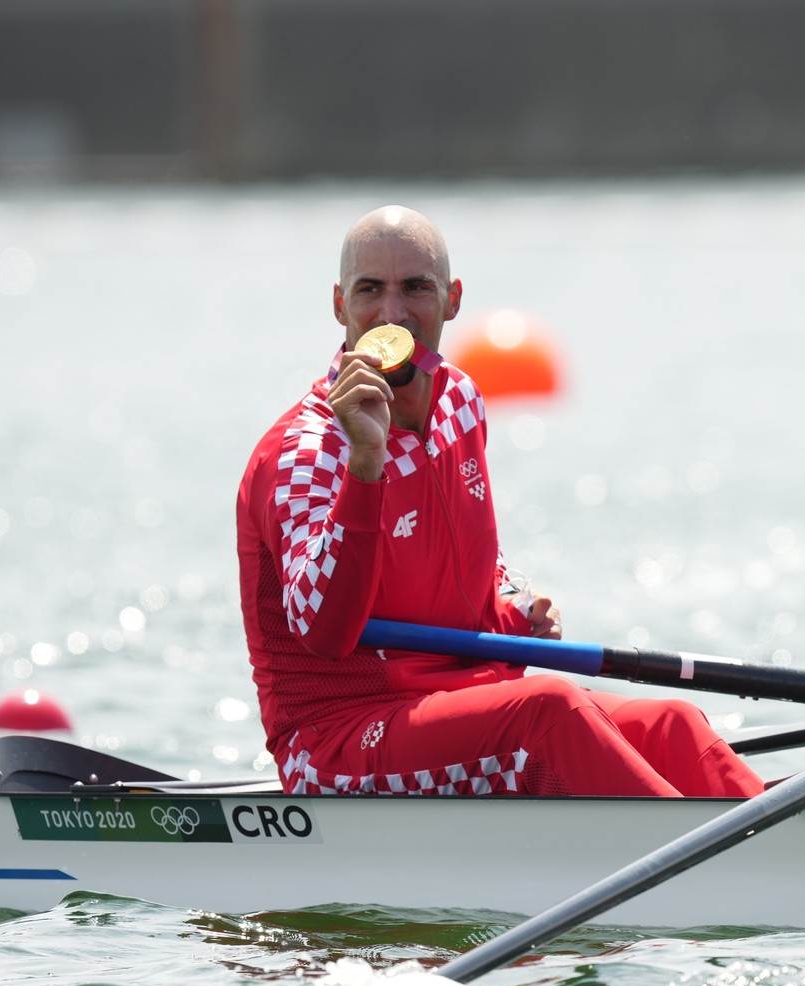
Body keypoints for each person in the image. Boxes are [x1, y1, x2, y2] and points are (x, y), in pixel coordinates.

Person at [236, 206, 764, 799]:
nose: (392, 315)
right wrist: (366, 466)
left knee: (673, 723)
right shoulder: (300, 454)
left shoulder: (460, 399)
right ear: (339, 306)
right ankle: (732, 864)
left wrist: (515, 606)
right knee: (550, 709)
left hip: (463, 703)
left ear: (452, 299)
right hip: (338, 740)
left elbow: (472, 569)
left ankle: (782, 839)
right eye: (369, 291)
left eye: (415, 288)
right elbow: (323, 630)